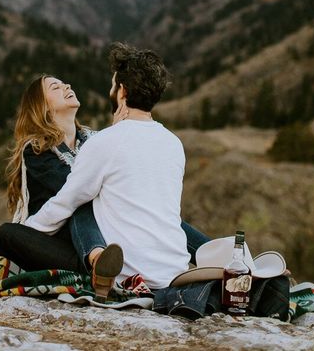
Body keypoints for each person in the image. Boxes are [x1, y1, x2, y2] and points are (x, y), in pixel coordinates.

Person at [0, 45, 209, 296]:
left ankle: (217, 251)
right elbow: (69, 199)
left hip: (100, 240)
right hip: (55, 239)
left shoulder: (94, 140)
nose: (66, 85)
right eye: (54, 87)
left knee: (164, 218)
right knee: (64, 210)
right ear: (42, 107)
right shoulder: (38, 149)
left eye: (64, 82)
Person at [25, 43, 198, 290]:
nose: (68, 87)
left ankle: (97, 259)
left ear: (122, 92)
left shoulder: (101, 142)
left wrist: (24, 232)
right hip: (173, 273)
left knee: (85, 200)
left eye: (113, 85)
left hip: (125, 272)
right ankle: (218, 254)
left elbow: (68, 200)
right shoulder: (174, 143)